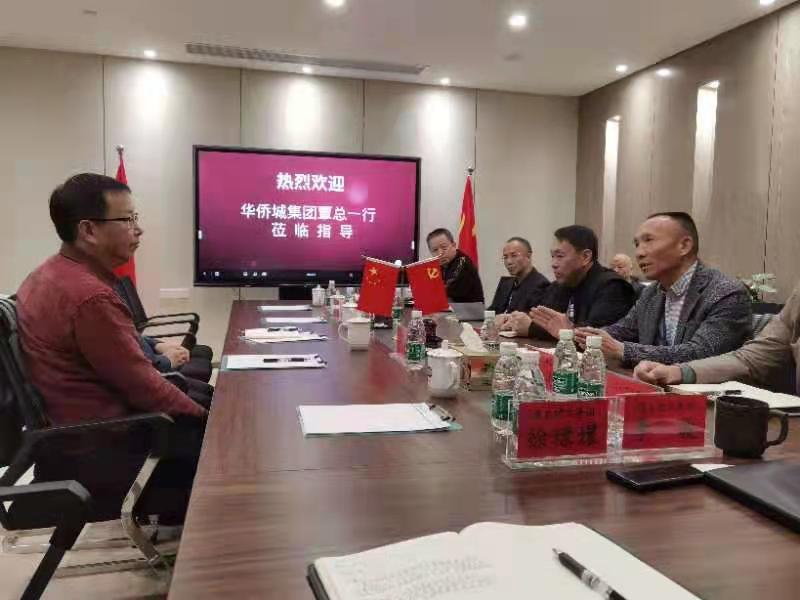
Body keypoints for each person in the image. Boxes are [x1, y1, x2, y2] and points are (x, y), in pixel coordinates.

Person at [16, 173, 207, 522]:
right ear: (88, 230)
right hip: (106, 446)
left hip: (72, 438)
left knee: (204, 400)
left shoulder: (48, 274)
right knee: (229, 442)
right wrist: (210, 422)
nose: (139, 229)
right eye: (128, 219)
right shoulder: (89, 297)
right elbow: (146, 389)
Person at [575, 212, 752, 367]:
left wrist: (622, 350)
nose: (639, 253)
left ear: (684, 246)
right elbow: (623, 330)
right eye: (637, 244)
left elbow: (700, 353)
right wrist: (580, 335)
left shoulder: (726, 292)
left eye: (648, 241)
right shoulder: (651, 293)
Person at [506, 225, 635, 339]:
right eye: (552, 256)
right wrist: (514, 319)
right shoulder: (563, 283)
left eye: (560, 256)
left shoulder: (613, 286)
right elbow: (543, 317)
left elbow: (594, 335)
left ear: (585, 257)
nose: (553, 264)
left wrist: (532, 328)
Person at [489, 237, 550, 327]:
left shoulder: (541, 284)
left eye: (514, 256)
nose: (509, 262)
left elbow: (532, 319)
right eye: (505, 257)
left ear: (528, 256)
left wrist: (505, 319)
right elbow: (492, 311)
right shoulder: (506, 283)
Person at [426, 228, 484, 303]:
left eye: (444, 248)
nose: (440, 253)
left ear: (454, 245)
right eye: (435, 250)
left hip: (469, 309)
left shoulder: (463, 263)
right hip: (450, 309)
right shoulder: (438, 266)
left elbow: (449, 293)